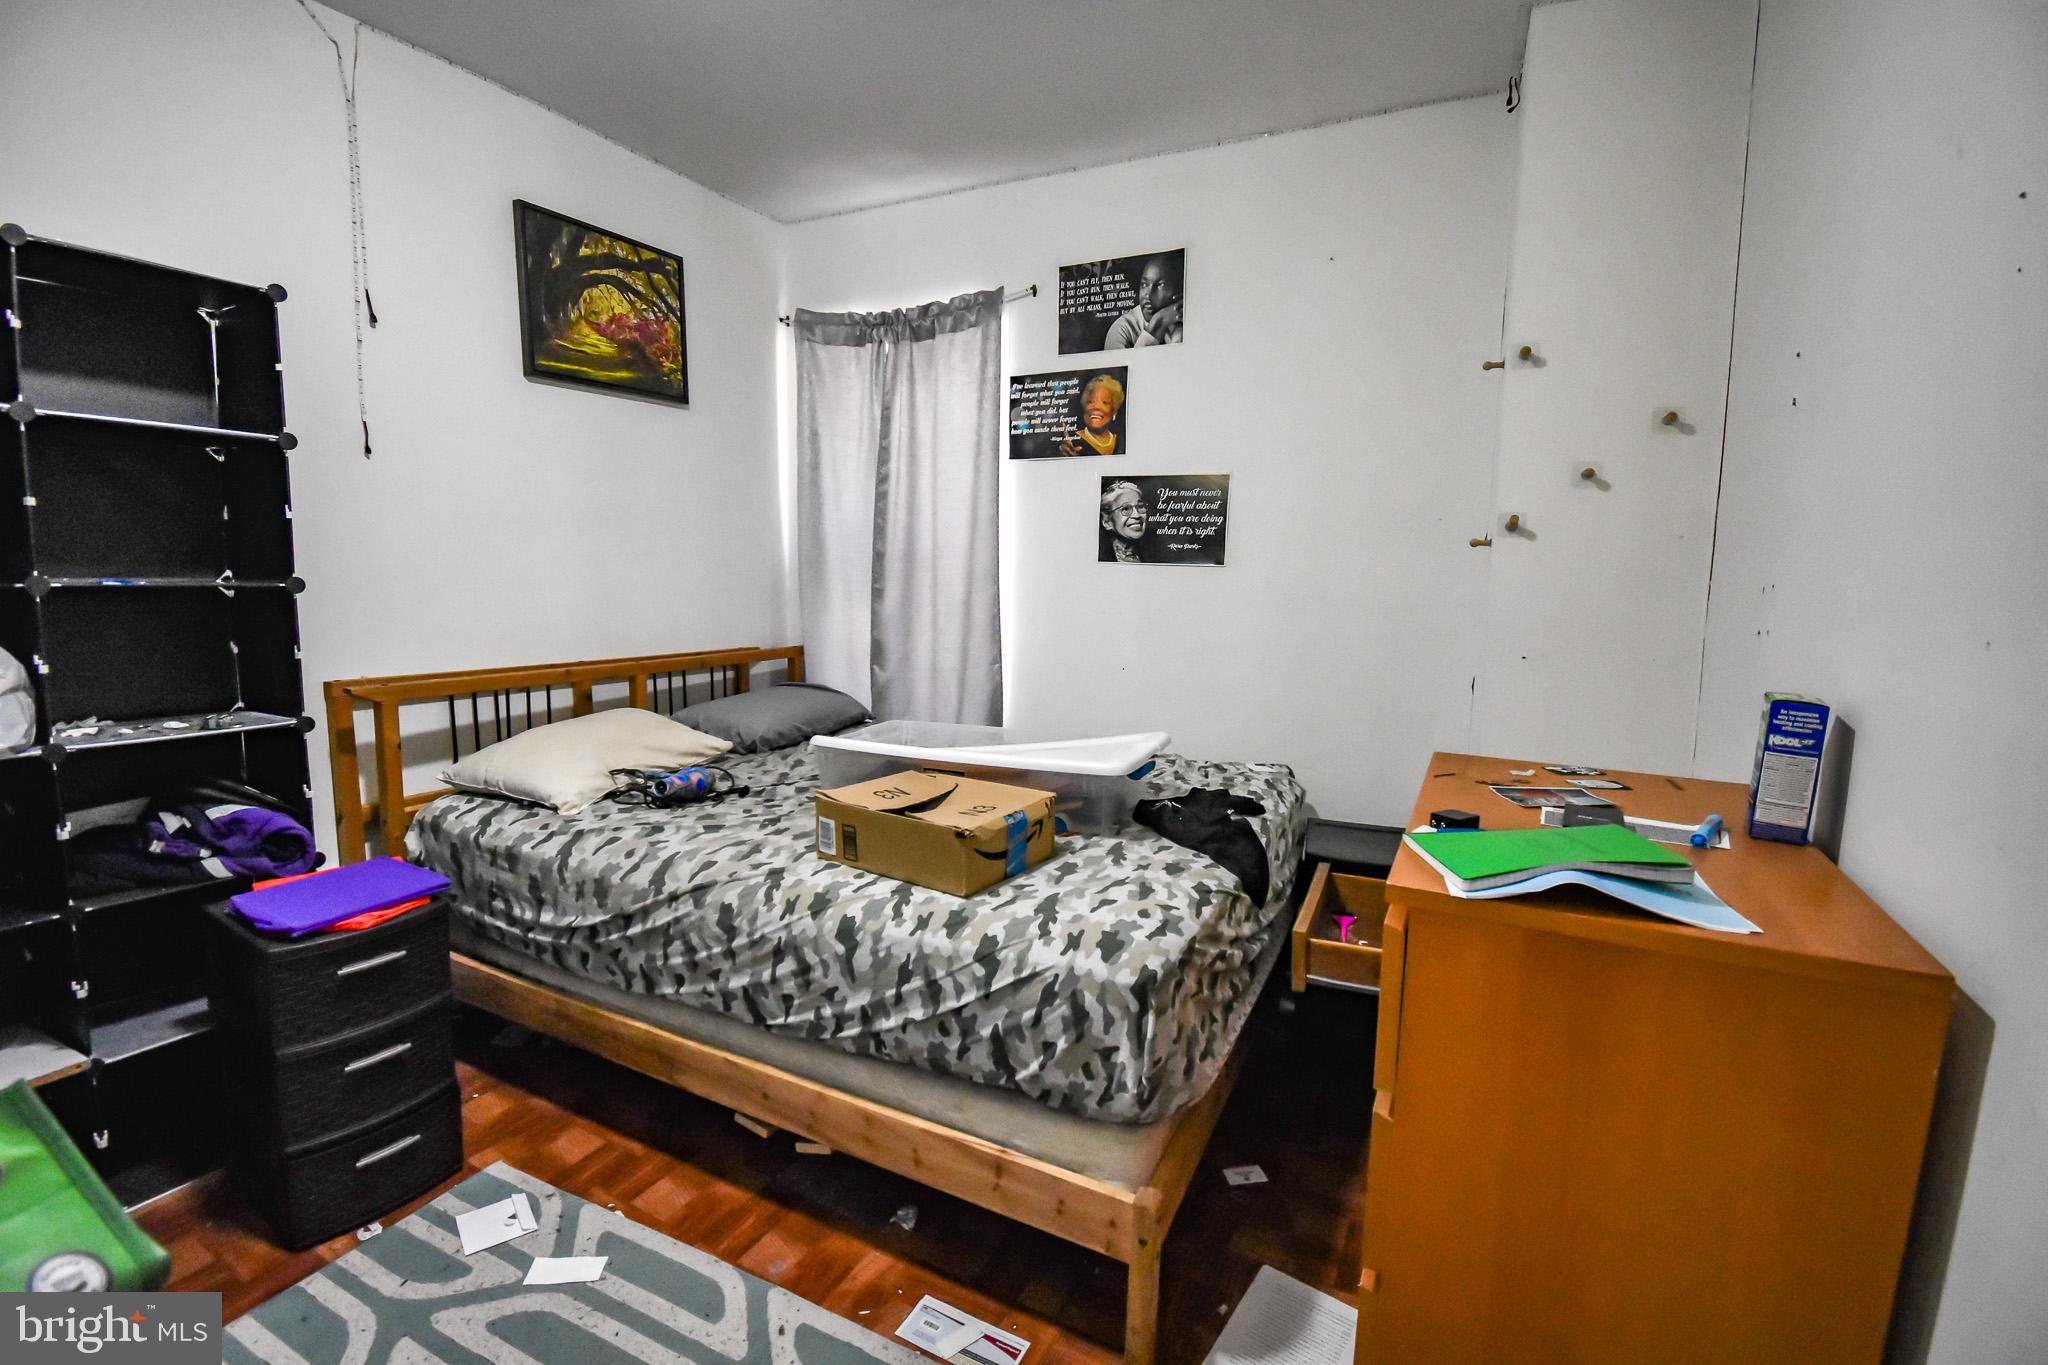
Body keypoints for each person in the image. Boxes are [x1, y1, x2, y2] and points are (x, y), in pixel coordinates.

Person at [1103, 255, 1183, 349]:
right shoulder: (1122, 329)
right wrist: (1158, 323)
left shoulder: (1190, 322)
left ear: (1179, 290)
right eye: (1144, 284)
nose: (1148, 295)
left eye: (1160, 285)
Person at [1059, 373, 1125, 456]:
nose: (1096, 406)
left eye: (1105, 402)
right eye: (1090, 401)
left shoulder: (1122, 443)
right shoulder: (1073, 441)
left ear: (1114, 410)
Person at [1100, 480, 1148, 563]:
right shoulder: (1101, 557)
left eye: (1140, 506)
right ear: (1107, 522)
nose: (1137, 515)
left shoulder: (1155, 554)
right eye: (1125, 509)